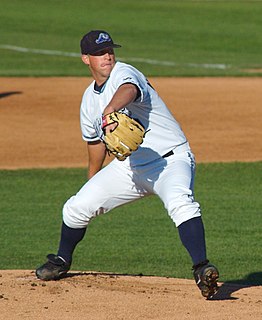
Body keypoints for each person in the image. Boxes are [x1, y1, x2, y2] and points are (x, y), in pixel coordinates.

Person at [36, 30, 219, 299]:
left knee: (182, 203)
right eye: (99, 53)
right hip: (129, 167)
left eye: (109, 50)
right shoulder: (88, 101)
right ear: (86, 59)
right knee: (75, 207)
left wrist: (110, 110)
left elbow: (129, 90)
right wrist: (92, 180)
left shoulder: (125, 73)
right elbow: (96, 143)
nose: (107, 55)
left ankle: (202, 267)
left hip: (170, 160)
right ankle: (62, 261)